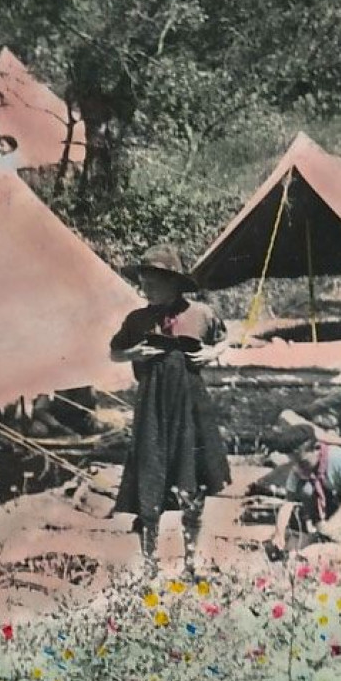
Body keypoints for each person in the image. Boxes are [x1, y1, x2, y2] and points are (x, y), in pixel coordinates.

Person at [109, 245, 230, 574]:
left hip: (191, 406)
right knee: (151, 472)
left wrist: (212, 354)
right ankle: (150, 563)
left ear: (174, 284)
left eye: (153, 285)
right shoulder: (137, 319)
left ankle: (191, 562)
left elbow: (224, 339)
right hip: (152, 406)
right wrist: (134, 353)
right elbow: (114, 353)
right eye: (143, 284)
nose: (146, 291)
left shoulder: (201, 314)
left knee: (192, 476)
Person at [267, 436, 341, 553]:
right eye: (295, 462)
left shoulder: (338, 458)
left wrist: (333, 523)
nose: (300, 467)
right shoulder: (299, 469)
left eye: (303, 462)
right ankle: (318, 529)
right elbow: (288, 503)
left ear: (317, 449)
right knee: (305, 489)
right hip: (330, 502)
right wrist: (279, 534)